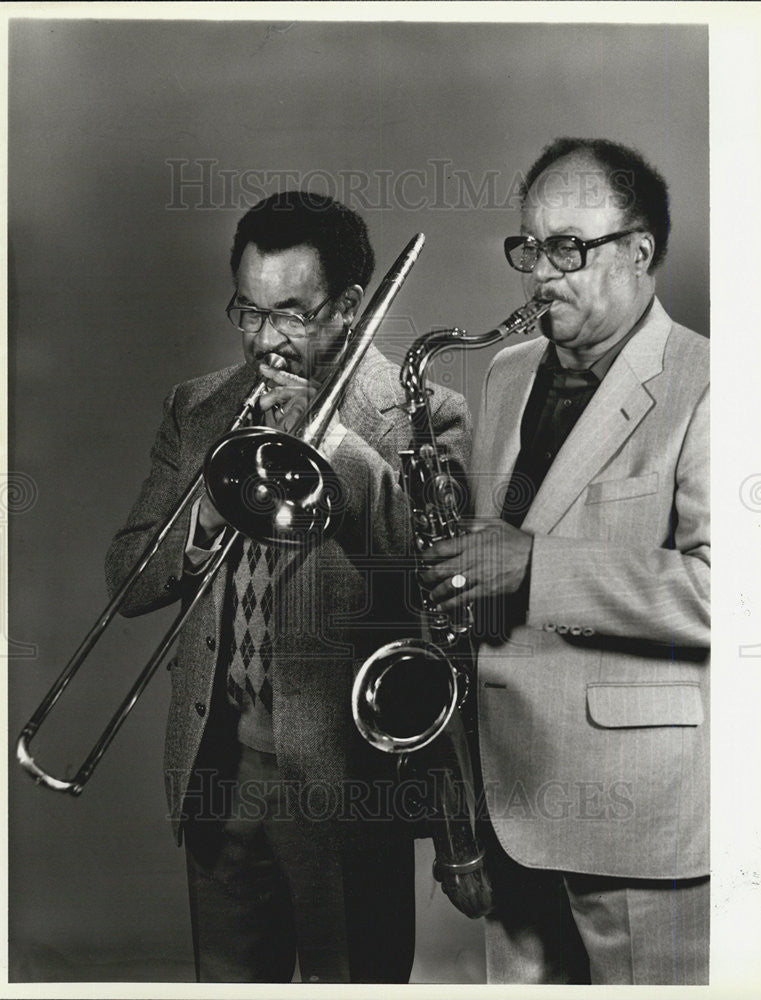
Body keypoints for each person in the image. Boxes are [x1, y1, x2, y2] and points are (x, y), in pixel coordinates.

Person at [105, 191, 471, 983]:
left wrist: (332, 445)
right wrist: (201, 513)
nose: (265, 339)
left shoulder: (423, 414)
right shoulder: (200, 407)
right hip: (216, 773)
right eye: (248, 309)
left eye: (292, 314)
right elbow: (127, 580)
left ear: (345, 308)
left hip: (346, 781)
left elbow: (433, 581)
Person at [420, 138, 709, 985]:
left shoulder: (712, 383)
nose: (540, 273)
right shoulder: (507, 374)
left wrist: (535, 568)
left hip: (636, 813)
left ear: (639, 252)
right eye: (529, 247)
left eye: (567, 249)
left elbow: (730, 592)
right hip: (504, 793)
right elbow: (493, 550)